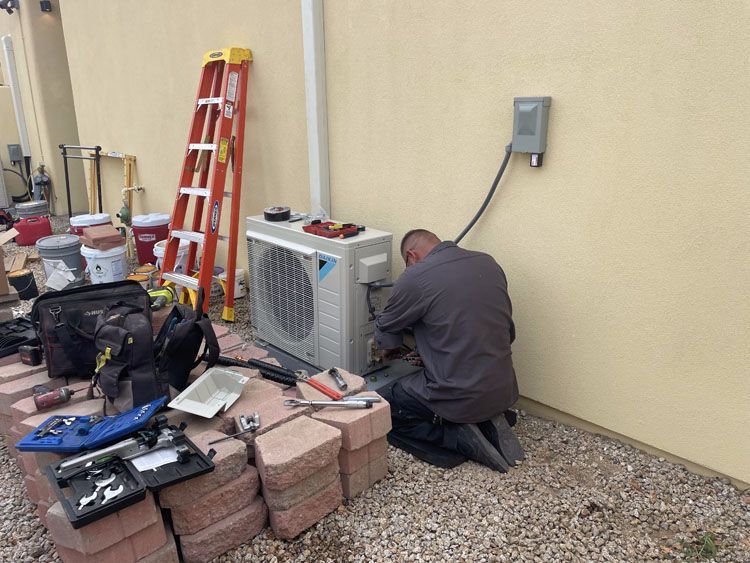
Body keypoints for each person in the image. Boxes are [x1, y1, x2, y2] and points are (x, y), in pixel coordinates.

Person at [375, 229, 524, 471]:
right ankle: (488, 418)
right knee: (459, 376)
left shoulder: (416, 277)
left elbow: (387, 330)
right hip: (504, 388)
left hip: (458, 396)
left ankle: (458, 436)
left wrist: (388, 353)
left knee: (384, 408)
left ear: (411, 257)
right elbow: (505, 332)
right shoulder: (488, 262)